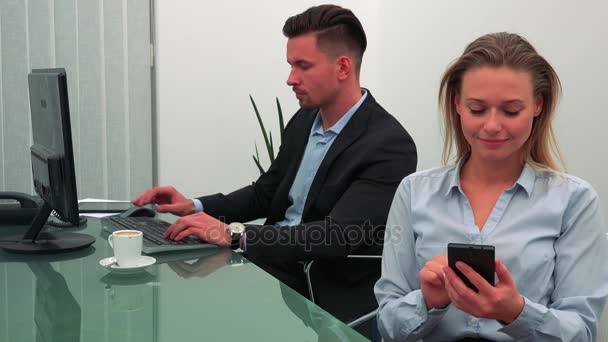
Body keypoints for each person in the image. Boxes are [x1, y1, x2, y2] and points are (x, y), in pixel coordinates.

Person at [134, 4, 417, 335]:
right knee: (170, 294)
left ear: (342, 67)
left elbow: (335, 237)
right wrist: (195, 206)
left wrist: (237, 235)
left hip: (318, 290)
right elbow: (267, 193)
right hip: (272, 268)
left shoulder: (388, 145)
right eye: (290, 65)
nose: (290, 79)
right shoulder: (305, 120)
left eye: (303, 66)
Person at [375, 32, 608, 341]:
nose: (493, 125)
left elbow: (582, 332)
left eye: (511, 111)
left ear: (538, 105)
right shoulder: (414, 193)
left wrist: (516, 312)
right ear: (457, 104)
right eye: (477, 109)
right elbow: (387, 324)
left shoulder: (574, 201)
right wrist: (428, 301)